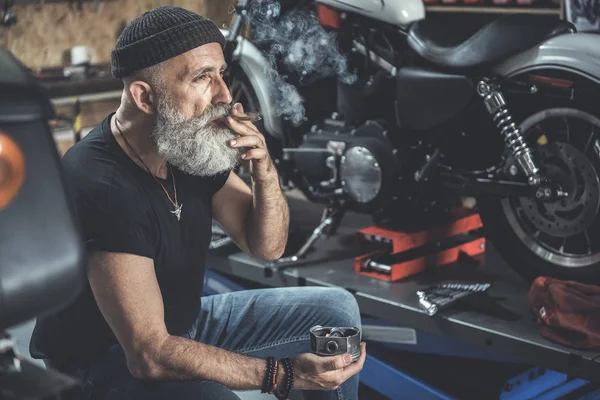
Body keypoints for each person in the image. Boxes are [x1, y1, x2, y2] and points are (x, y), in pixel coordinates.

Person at [29, 6, 366, 400]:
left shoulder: (185, 143)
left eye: (221, 73)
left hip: (182, 324)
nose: (224, 95)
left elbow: (266, 247)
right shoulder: (100, 185)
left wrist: (264, 170)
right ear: (145, 97)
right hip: (105, 359)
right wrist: (281, 374)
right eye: (202, 77)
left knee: (336, 311)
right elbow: (149, 355)